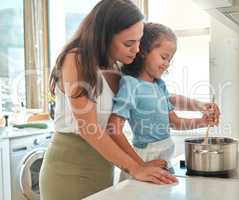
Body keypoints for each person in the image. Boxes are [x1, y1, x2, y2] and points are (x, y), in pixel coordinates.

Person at [40, 1, 178, 200]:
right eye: (129, 43)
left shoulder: (114, 68)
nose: (137, 50)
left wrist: (140, 165)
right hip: (68, 171)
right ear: (104, 36)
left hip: (102, 170)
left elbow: (118, 125)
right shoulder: (76, 59)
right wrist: (136, 167)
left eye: (139, 41)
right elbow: (90, 128)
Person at [107, 22, 219, 181]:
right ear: (144, 51)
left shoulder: (160, 85)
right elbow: (113, 129)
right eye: (164, 57)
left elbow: (175, 122)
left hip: (165, 158)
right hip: (145, 159)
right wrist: (140, 166)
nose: (167, 64)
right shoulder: (131, 84)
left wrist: (202, 121)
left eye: (170, 60)